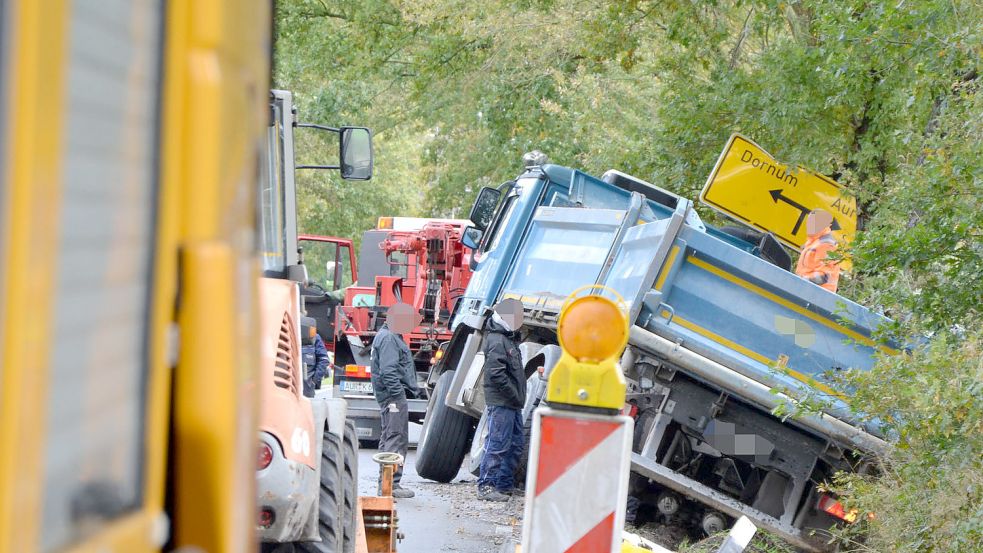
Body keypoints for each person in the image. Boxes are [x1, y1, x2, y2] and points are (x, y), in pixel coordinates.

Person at [370, 302, 422, 498]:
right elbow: (388, 371)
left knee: (391, 437)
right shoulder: (390, 338)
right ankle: (389, 486)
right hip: (392, 397)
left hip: (389, 396)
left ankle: (388, 484)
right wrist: (398, 394)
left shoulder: (389, 336)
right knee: (395, 438)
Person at [477, 298, 525, 502]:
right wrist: (514, 395)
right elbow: (495, 375)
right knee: (497, 444)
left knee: (515, 444)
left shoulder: (507, 338)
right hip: (503, 402)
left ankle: (503, 485)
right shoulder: (497, 340)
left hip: (511, 403)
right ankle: (486, 487)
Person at [795, 209, 841, 293]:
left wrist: (801, 281)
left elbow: (824, 276)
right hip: (810, 291)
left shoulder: (827, 245)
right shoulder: (814, 242)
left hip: (818, 295)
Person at [301, 333, 330, 397]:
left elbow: (324, 360)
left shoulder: (313, 336)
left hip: (306, 394)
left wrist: (313, 382)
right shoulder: (282, 333)